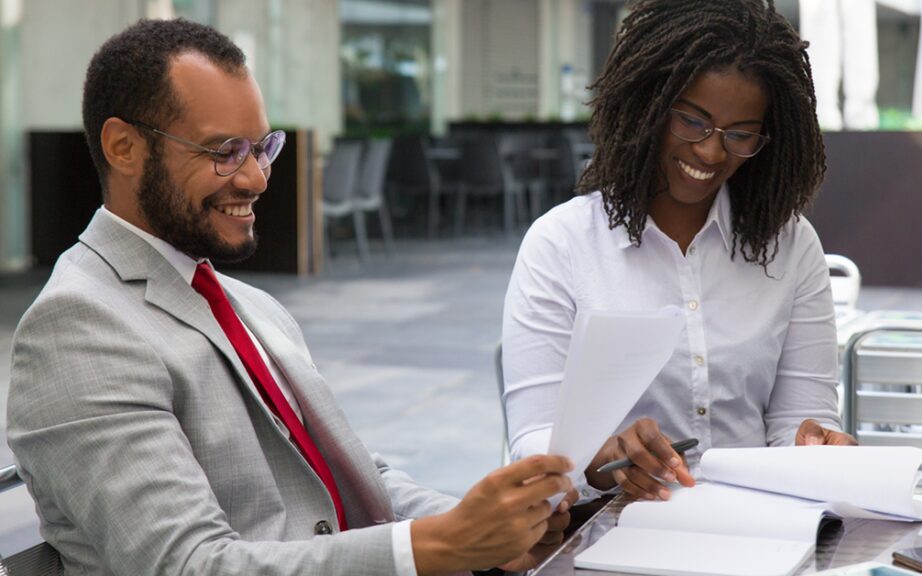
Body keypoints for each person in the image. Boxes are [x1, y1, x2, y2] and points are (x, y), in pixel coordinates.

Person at [7, 19, 576, 576]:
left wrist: (484, 529)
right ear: (124, 148)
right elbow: (186, 564)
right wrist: (432, 548)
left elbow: (344, 470)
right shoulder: (79, 325)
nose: (256, 178)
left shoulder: (245, 302)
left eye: (261, 147)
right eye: (224, 151)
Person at [501, 0, 856, 504]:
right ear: (646, 106)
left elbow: (799, 420)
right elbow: (533, 449)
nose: (711, 152)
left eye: (740, 134)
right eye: (692, 122)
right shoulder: (561, 245)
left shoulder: (791, 245)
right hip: (610, 534)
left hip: (756, 531)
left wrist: (816, 445)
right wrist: (604, 461)